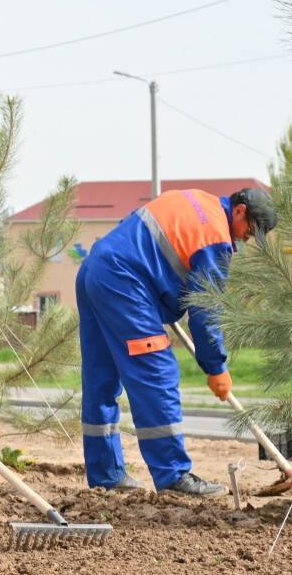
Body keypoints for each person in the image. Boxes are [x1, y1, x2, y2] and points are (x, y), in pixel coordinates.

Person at [77, 187, 277, 495]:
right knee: (157, 372)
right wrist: (216, 367)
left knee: (100, 380)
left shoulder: (196, 200)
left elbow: (157, 252)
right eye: (248, 232)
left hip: (96, 267)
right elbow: (206, 309)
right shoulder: (215, 237)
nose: (244, 239)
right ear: (239, 211)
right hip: (124, 281)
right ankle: (173, 476)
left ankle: (106, 475)